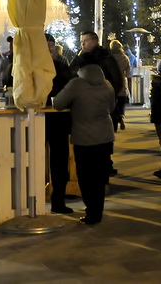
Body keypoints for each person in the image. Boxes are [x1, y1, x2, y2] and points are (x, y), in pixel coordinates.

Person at [53, 63, 116, 225]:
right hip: (105, 136)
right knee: (100, 177)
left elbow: (58, 104)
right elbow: (112, 107)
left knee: (85, 177)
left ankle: (91, 212)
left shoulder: (76, 84)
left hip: (84, 138)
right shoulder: (107, 84)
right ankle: (97, 212)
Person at [77, 31, 124, 174]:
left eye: (85, 41)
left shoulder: (105, 57)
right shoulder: (84, 56)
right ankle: (102, 164)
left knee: (104, 136)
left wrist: (107, 96)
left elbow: (117, 80)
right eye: (82, 41)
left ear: (94, 41)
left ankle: (105, 165)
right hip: (88, 103)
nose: (82, 44)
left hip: (104, 104)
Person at [45, 32, 75, 214]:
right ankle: (34, 200)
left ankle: (58, 200)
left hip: (59, 119)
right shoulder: (33, 66)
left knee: (59, 162)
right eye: (46, 46)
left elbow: (69, 86)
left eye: (52, 46)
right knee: (35, 160)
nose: (50, 50)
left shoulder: (63, 65)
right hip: (39, 119)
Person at [109, 39, 131, 131]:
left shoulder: (109, 58)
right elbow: (128, 72)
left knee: (113, 103)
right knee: (121, 102)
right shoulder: (125, 57)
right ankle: (121, 115)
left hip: (111, 83)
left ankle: (114, 122)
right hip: (122, 82)